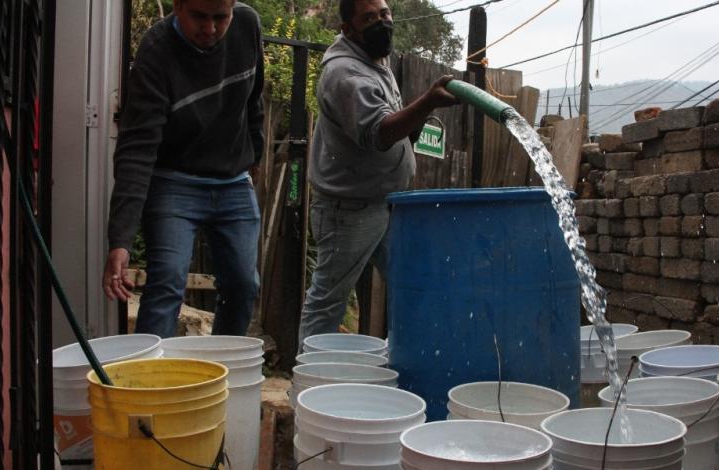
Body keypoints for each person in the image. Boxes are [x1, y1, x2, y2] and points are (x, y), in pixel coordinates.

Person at [297, 0, 459, 348]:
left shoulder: (374, 60)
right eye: (368, 18)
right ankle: (307, 385)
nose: (381, 22)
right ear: (348, 29)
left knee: (411, 284)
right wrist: (427, 102)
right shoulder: (346, 75)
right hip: (348, 210)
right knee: (328, 303)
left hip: (384, 203)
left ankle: (410, 370)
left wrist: (413, 127)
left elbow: (391, 125)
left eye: (384, 13)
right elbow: (380, 132)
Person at [102, 0, 264, 338]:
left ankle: (224, 372)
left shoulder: (248, 26)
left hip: (233, 182)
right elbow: (136, 149)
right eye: (199, 17)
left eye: (221, 18)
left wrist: (255, 156)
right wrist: (120, 241)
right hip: (173, 182)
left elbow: (254, 100)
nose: (210, 29)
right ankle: (150, 383)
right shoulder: (156, 52)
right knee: (167, 282)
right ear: (177, 6)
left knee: (243, 284)